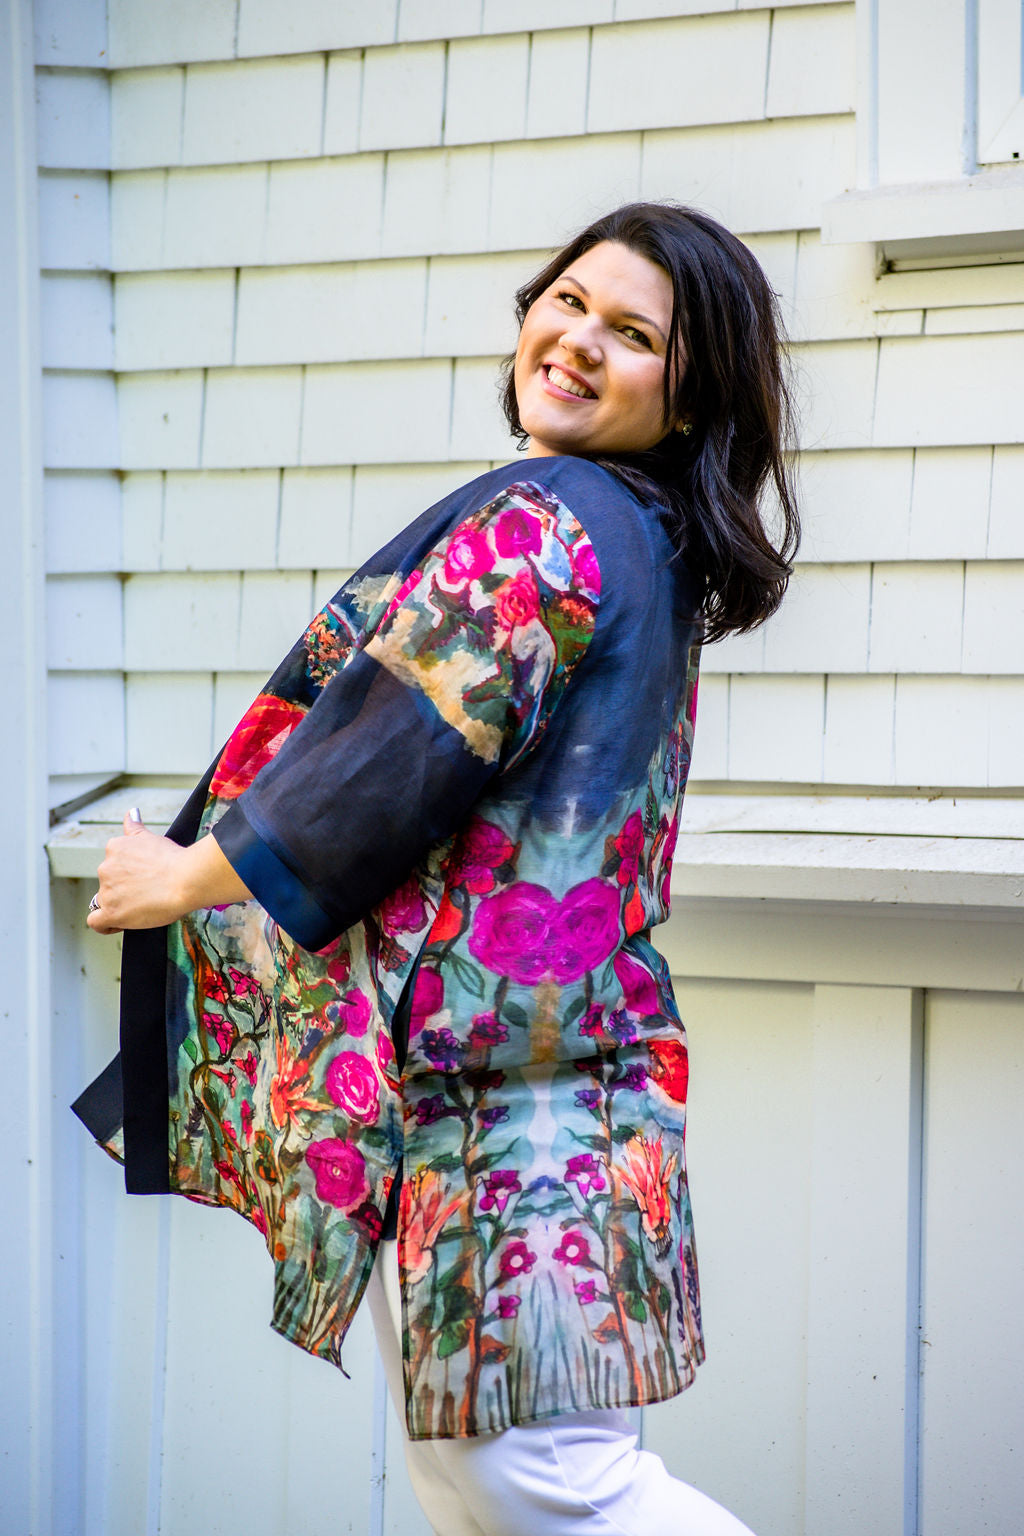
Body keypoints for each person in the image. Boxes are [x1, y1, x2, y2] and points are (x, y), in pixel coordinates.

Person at [76, 202, 798, 1535]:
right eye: (568, 300)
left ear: (687, 401)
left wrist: (181, 879)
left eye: (632, 334)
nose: (577, 341)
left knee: (541, 1485)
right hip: (546, 1070)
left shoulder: (548, 523)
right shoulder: (636, 531)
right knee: (477, 1481)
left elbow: (400, 742)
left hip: (505, 1093)